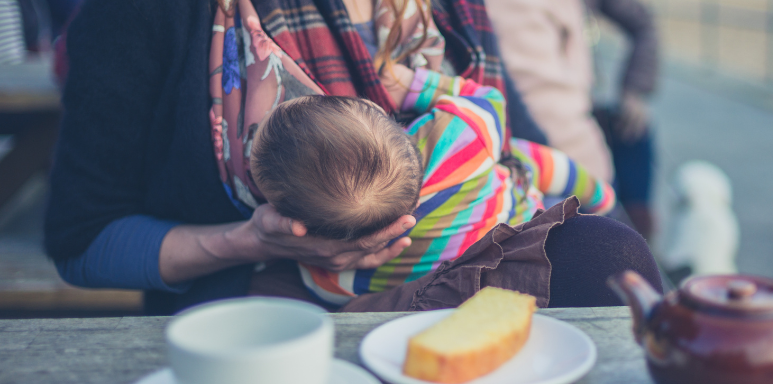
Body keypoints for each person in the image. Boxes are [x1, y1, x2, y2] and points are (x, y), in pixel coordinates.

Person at [47, 0, 659, 315]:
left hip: (465, 272)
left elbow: (517, 148)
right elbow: (83, 241)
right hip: (267, 296)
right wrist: (254, 241)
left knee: (610, 256)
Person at [251, 75, 614, 305]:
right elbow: (489, 100)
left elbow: (323, 290)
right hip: (520, 206)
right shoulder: (457, 137)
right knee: (524, 155)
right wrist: (413, 84)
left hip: (491, 252)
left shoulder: (345, 268)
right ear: (373, 106)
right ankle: (600, 196)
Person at [484, 0, 659, 239]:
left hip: (569, 135)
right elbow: (543, 101)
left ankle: (640, 240)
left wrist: (634, 92)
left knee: (633, 135)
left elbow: (641, 23)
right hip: (547, 152)